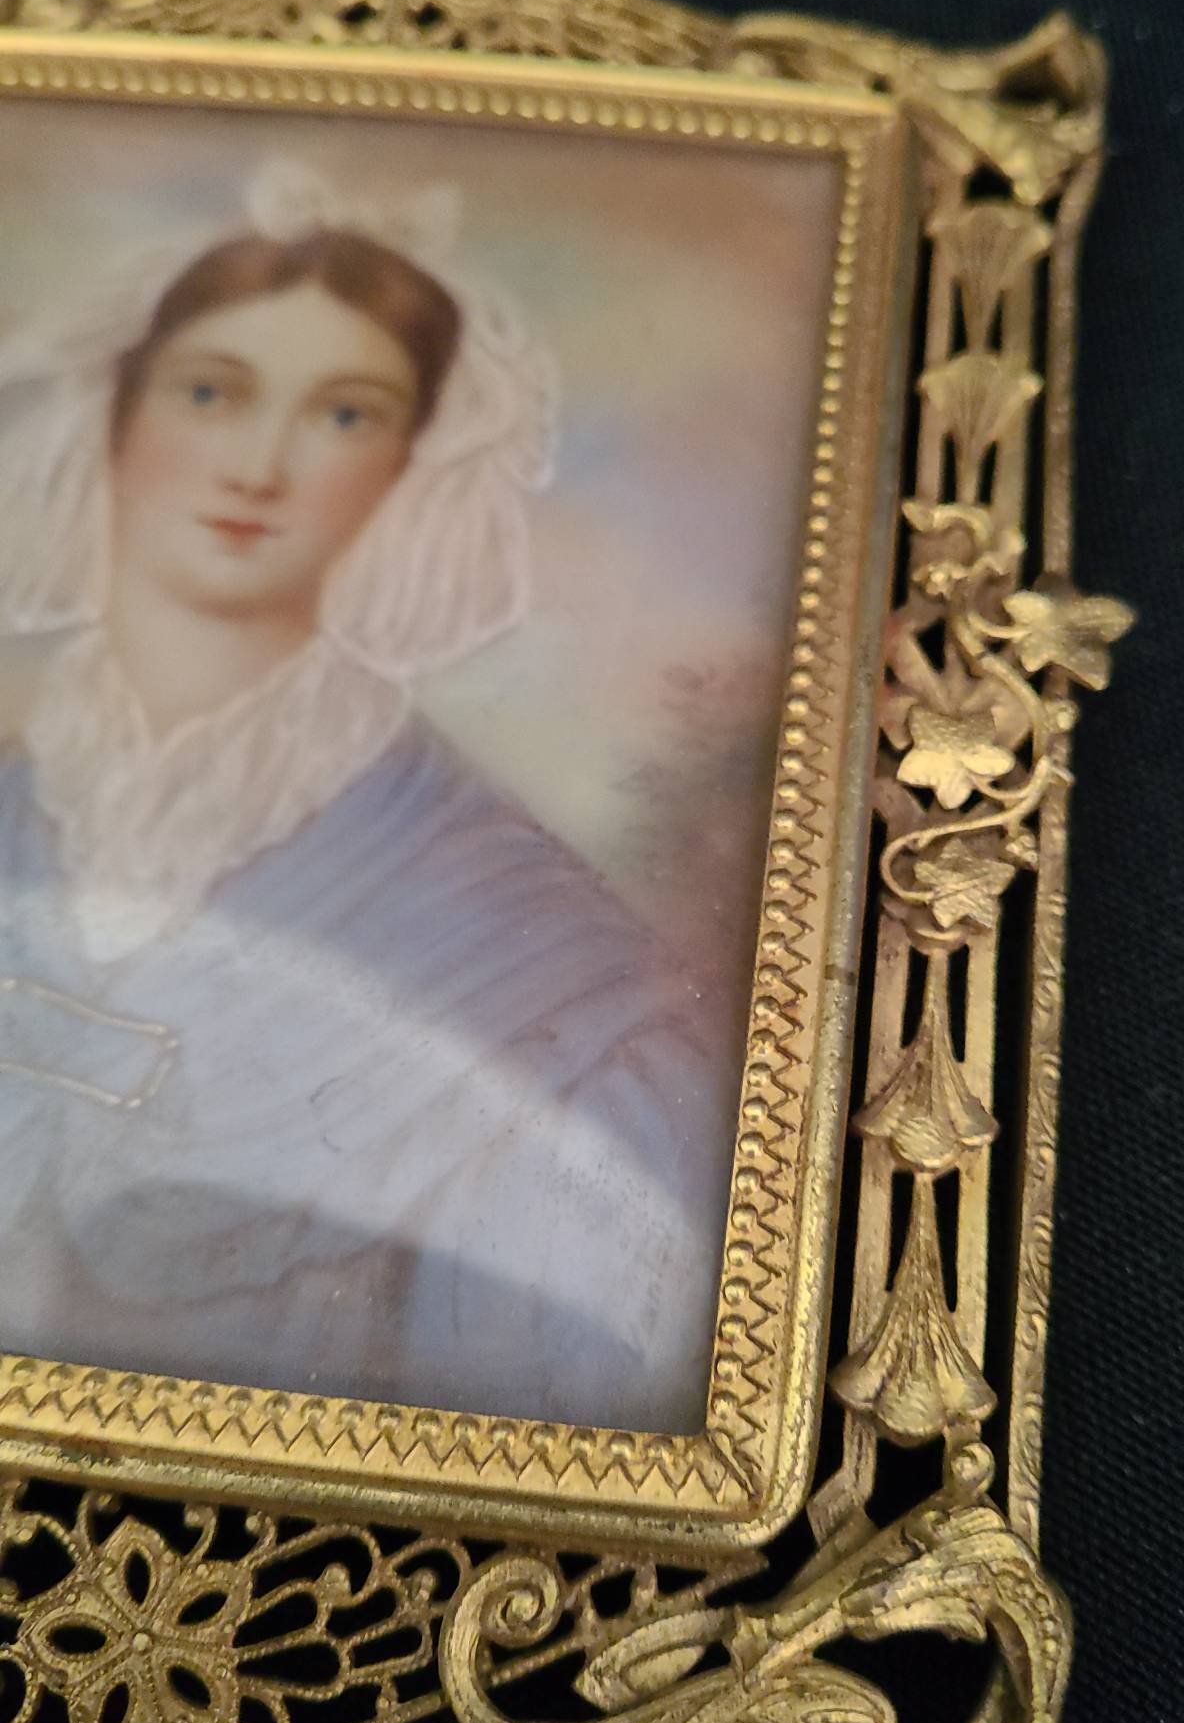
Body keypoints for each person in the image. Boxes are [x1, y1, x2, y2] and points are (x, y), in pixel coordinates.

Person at [0, 158, 738, 1434]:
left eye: (345, 414)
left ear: (409, 467)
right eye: (212, 392)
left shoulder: (558, 987)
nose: (260, 463)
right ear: (118, 417)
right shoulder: (26, 806)